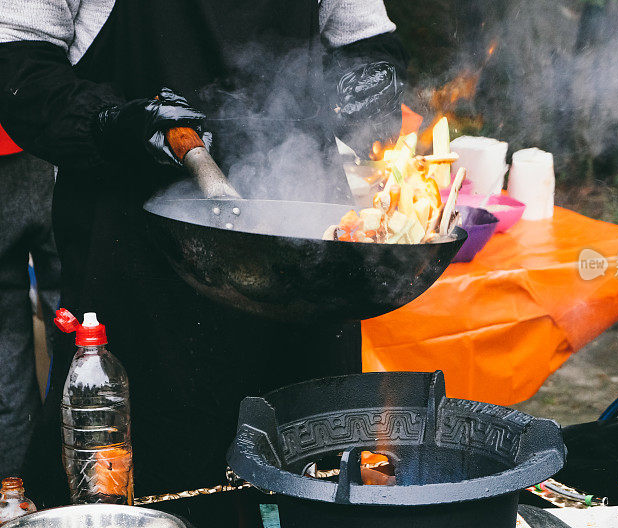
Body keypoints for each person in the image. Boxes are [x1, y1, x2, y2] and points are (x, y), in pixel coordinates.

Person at [0, 0, 407, 506]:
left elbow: (363, 40)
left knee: (310, 484)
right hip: (139, 266)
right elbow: (19, 69)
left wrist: (372, 79)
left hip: (302, 259)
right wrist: (111, 121)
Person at [0, 127, 60, 480]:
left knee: (3, 358)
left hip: (41, 138)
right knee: (81, 335)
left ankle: (14, 502)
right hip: (45, 136)